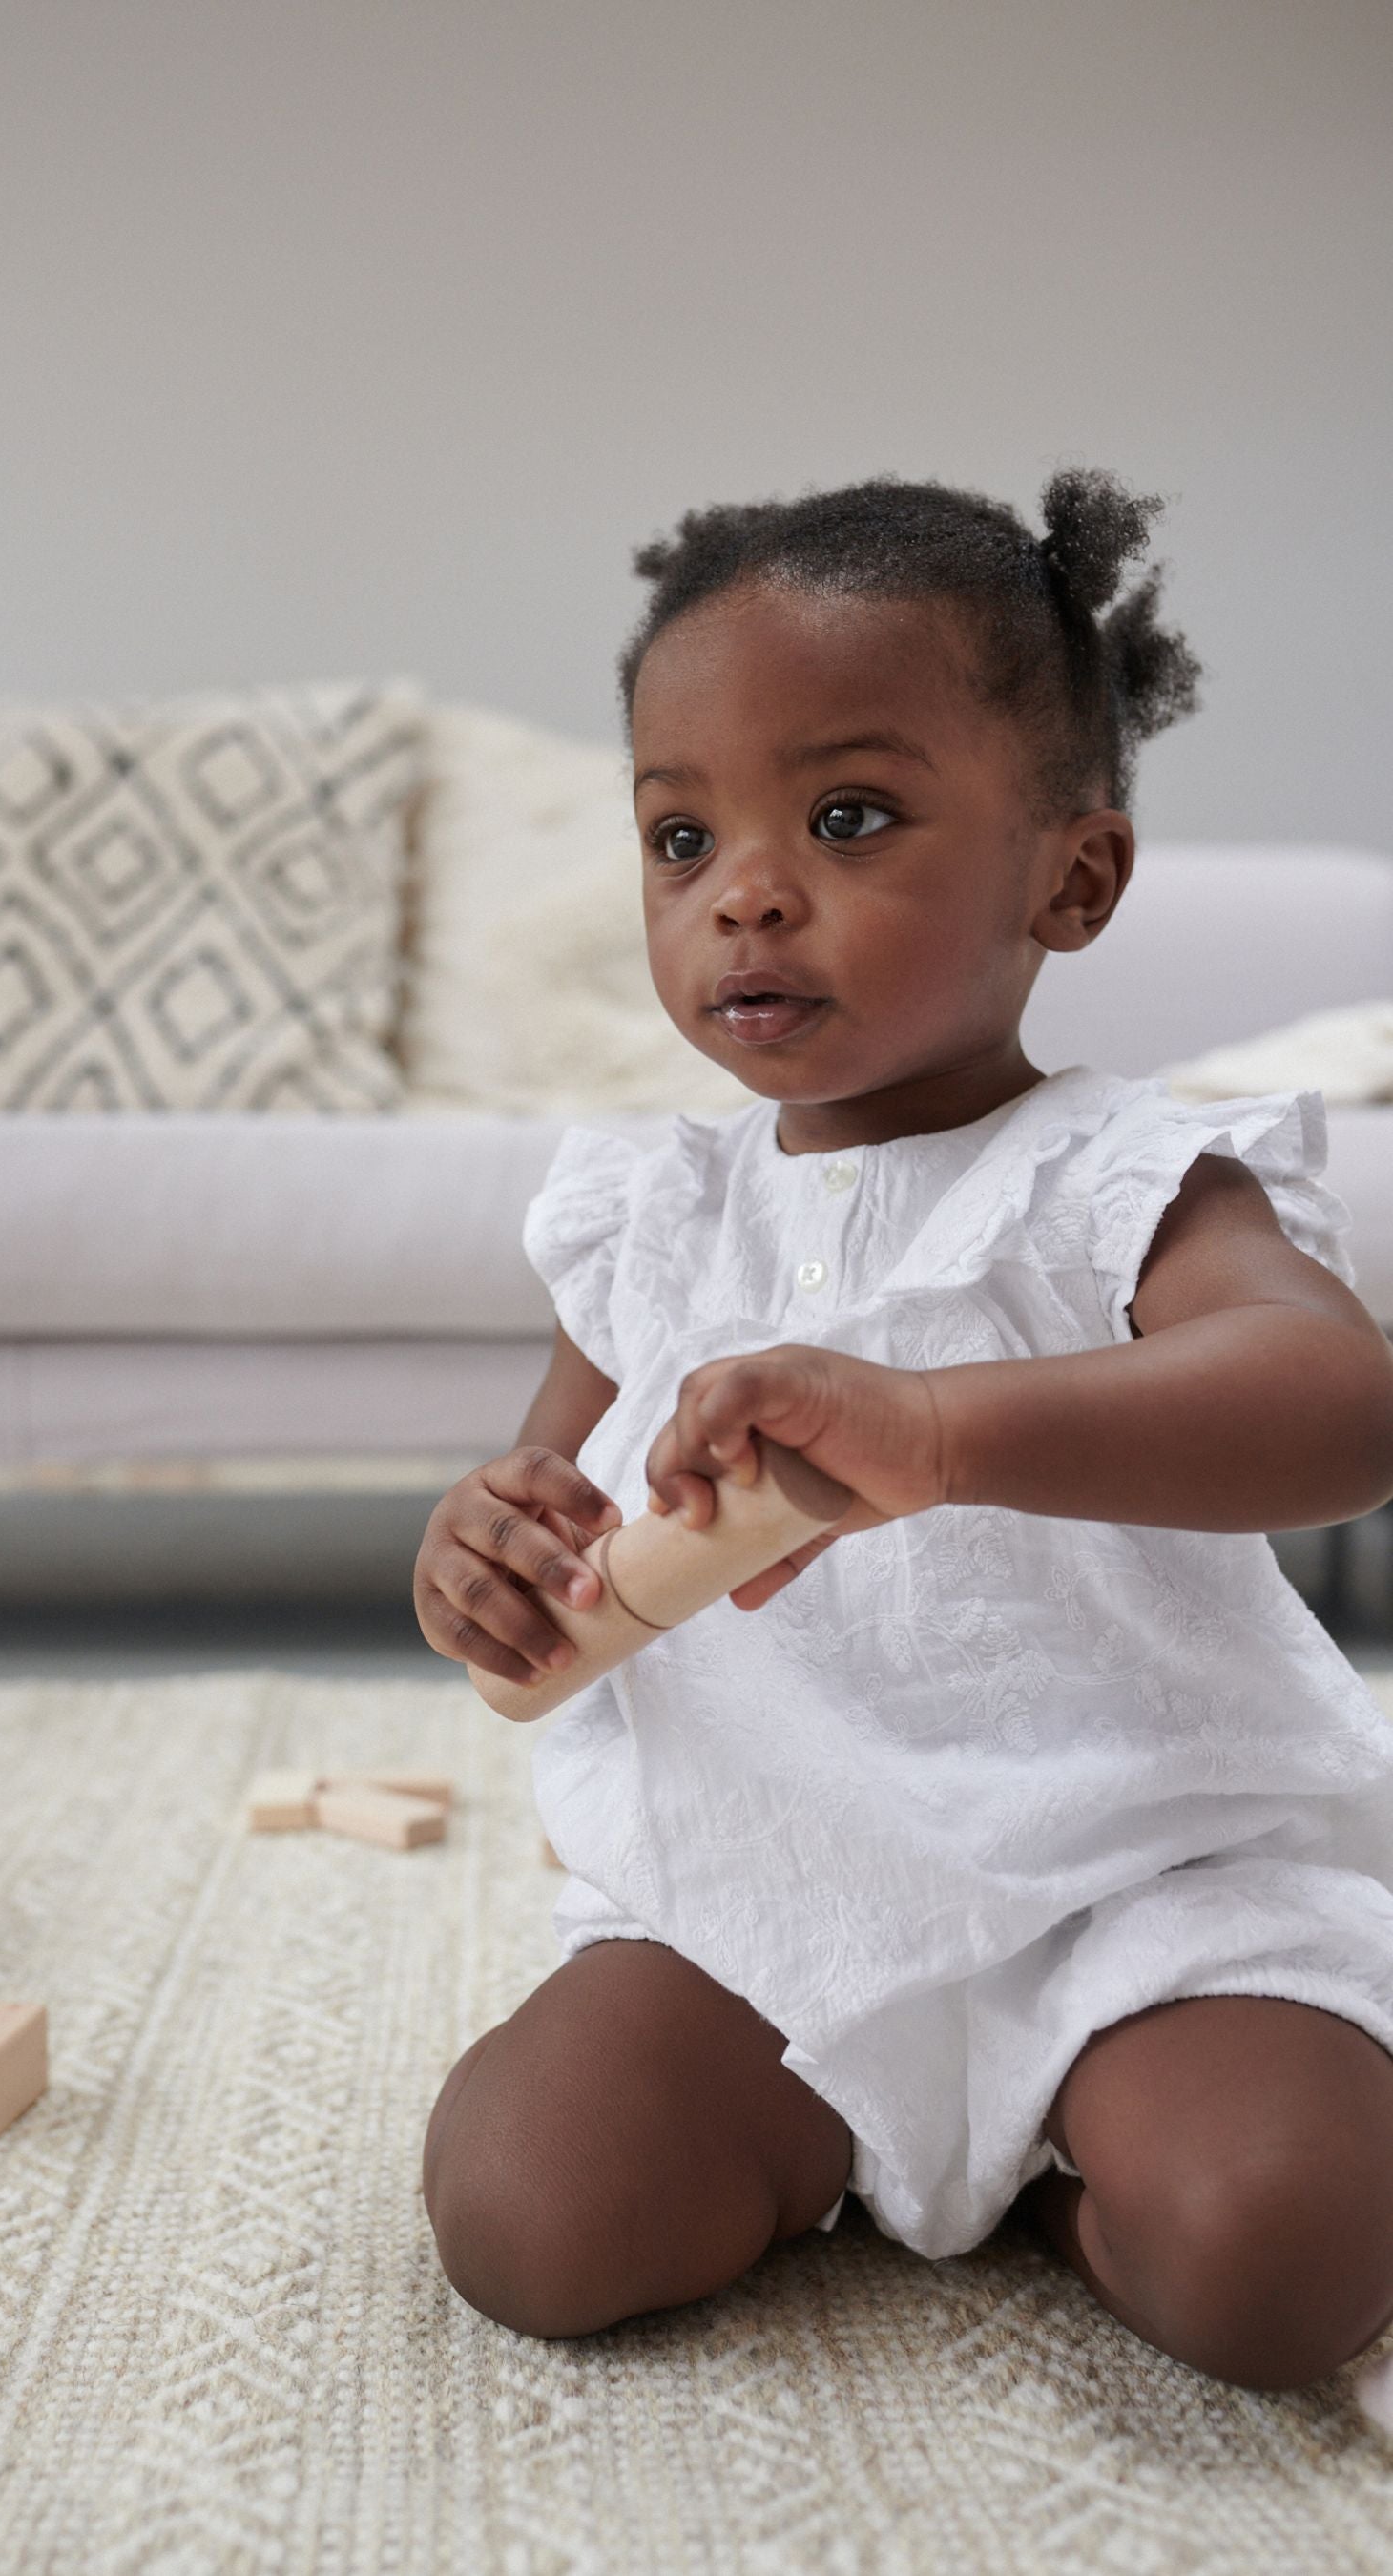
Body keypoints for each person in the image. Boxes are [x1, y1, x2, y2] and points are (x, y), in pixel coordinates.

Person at [413, 469, 1393, 2389]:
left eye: (845, 817)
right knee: (535, 2216)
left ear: (1071, 877)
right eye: (681, 837)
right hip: (760, 1894)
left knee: (1284, 2252)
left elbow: (1340, 1402)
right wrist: (481, 1559)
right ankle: (868, 2129)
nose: (746, 891)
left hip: (1136, 1886)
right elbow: (556, 1522)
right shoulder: (649, 1215)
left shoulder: (1122, 1176)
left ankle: (1049, 2157)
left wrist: (937, 1428)